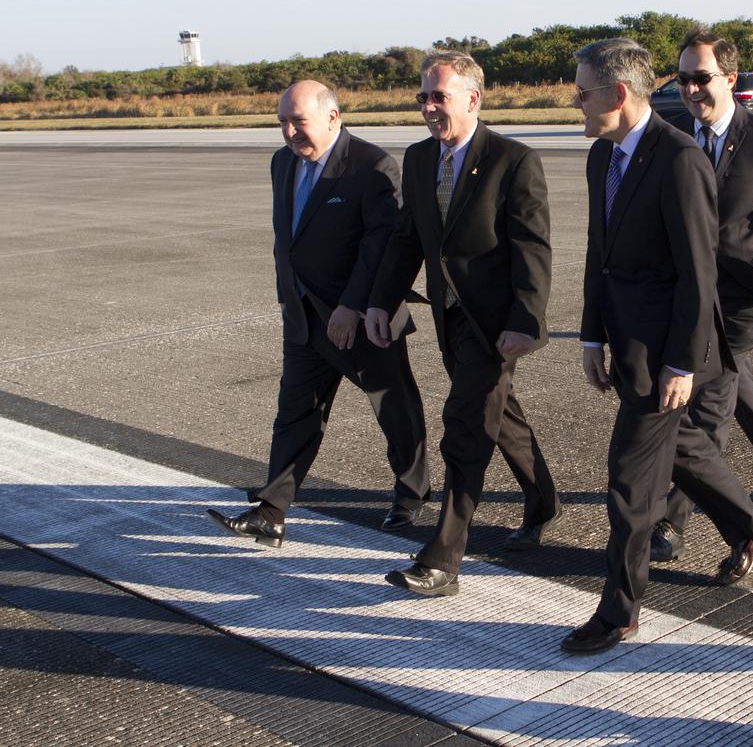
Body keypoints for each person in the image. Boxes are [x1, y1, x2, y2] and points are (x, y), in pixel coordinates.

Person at [563, 38, 753, 655]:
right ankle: (751, 525)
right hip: (628, 345)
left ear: (619, 94)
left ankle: (619, 612)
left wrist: (681, 362)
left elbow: (698, 273)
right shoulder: (602, 157)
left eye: (583, 92)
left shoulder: (679, 159)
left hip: (670, 355)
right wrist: (591, 333)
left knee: (629, 482)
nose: (576, 103)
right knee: (686, 449)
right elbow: (599, 255)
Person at [367, 51, 558, 598]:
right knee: (501, 416)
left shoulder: (512, 160)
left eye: (438, 96)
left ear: (473, 99)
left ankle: (444, 556)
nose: (428, 107)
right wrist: (380, 303)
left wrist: (527, 319)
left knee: (466, 425)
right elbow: (409, 239)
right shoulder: (421, 158)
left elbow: (533, 247)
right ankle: (543, 499)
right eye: (422, 97)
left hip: (496, 323)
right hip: (451, 318)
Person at [208, 80, 429, 548]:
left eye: (298, 122)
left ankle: (412, 490)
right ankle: (271, 512)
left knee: (393, 407)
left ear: (333, 117)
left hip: (363, 317)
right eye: (282, 123)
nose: (289, 132)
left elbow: (381, 247)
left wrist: (352, 306)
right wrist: (289, 297)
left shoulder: (372, 166)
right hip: (305, 317)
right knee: (295, 414)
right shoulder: (282, 163)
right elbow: (288, 240)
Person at [650, 30, 753, 563]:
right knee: (731, 380)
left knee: (706, 403)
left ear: (730, 79)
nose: (692, 90)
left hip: (743, 298)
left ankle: (671, 522)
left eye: (702, 78)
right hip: (687, 294)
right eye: (683, 80)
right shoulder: (671, 135)